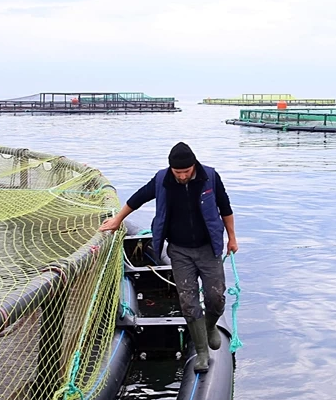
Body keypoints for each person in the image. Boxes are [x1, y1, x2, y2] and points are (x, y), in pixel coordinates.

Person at [99, 142, 237, 372]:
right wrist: (117, 220)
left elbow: (225, 208)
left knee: (216, 297)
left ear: (194, 165)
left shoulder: (210, 177)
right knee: (188, 301)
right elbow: (138, 199)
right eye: (178, 172)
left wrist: (232, 238)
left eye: (186, 171)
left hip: (208, 249)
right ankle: (202, 352)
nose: (182, 176)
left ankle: (211, 325)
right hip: (179, 250)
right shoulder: (163, 179)